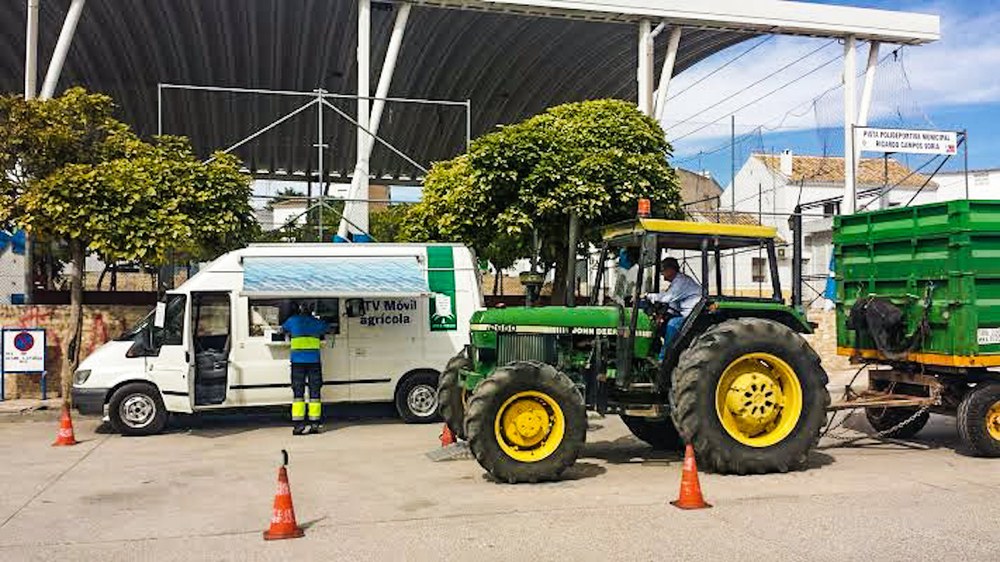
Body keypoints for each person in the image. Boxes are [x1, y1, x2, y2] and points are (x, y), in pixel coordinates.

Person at [281, 302, 330, 435]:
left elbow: (282, 329)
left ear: (299, 309)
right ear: (311, 310)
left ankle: (298, 425)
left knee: (298, 394)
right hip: (313, 362)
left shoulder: (292, 320)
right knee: (315, 393)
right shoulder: (316, 322)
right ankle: (315, 424)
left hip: (297, 363)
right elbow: (327, 328)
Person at [647, 257, 701, 357]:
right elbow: (673, 304)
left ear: (671, 270)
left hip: (694, 316)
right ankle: (654, 352)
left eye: (663, 270)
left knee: (673, 323)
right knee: (663, 323)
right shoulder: (675, 283)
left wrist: (647, 296)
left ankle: (664, 357)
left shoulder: (681, 282)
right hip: (685, 313)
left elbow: (668, 298)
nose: (661, 273)